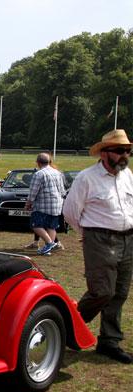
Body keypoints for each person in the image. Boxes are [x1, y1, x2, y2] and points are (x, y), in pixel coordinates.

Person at [63, 129, 133, 363]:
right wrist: (89, 235)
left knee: (120, 293)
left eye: (127, 150)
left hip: (127, 238)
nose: (125, 155)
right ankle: (68, 328)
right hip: (100, 239)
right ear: (104, 153)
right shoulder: (86, 178)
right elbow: (70, 212)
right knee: (102, 291)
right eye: (119, 151)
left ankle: (109, 341)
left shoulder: (127, 175)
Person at [25, 153, 66, 256]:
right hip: (57, 205)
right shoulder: (57, 173)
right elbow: (62, 190)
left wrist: (28, 203)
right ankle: (47, 250)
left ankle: (49, 243)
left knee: (35, 225)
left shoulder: (39, 174)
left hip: (43, 205)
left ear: (38, 163)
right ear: (49, 161)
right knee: (51, 227)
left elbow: (33, 191)